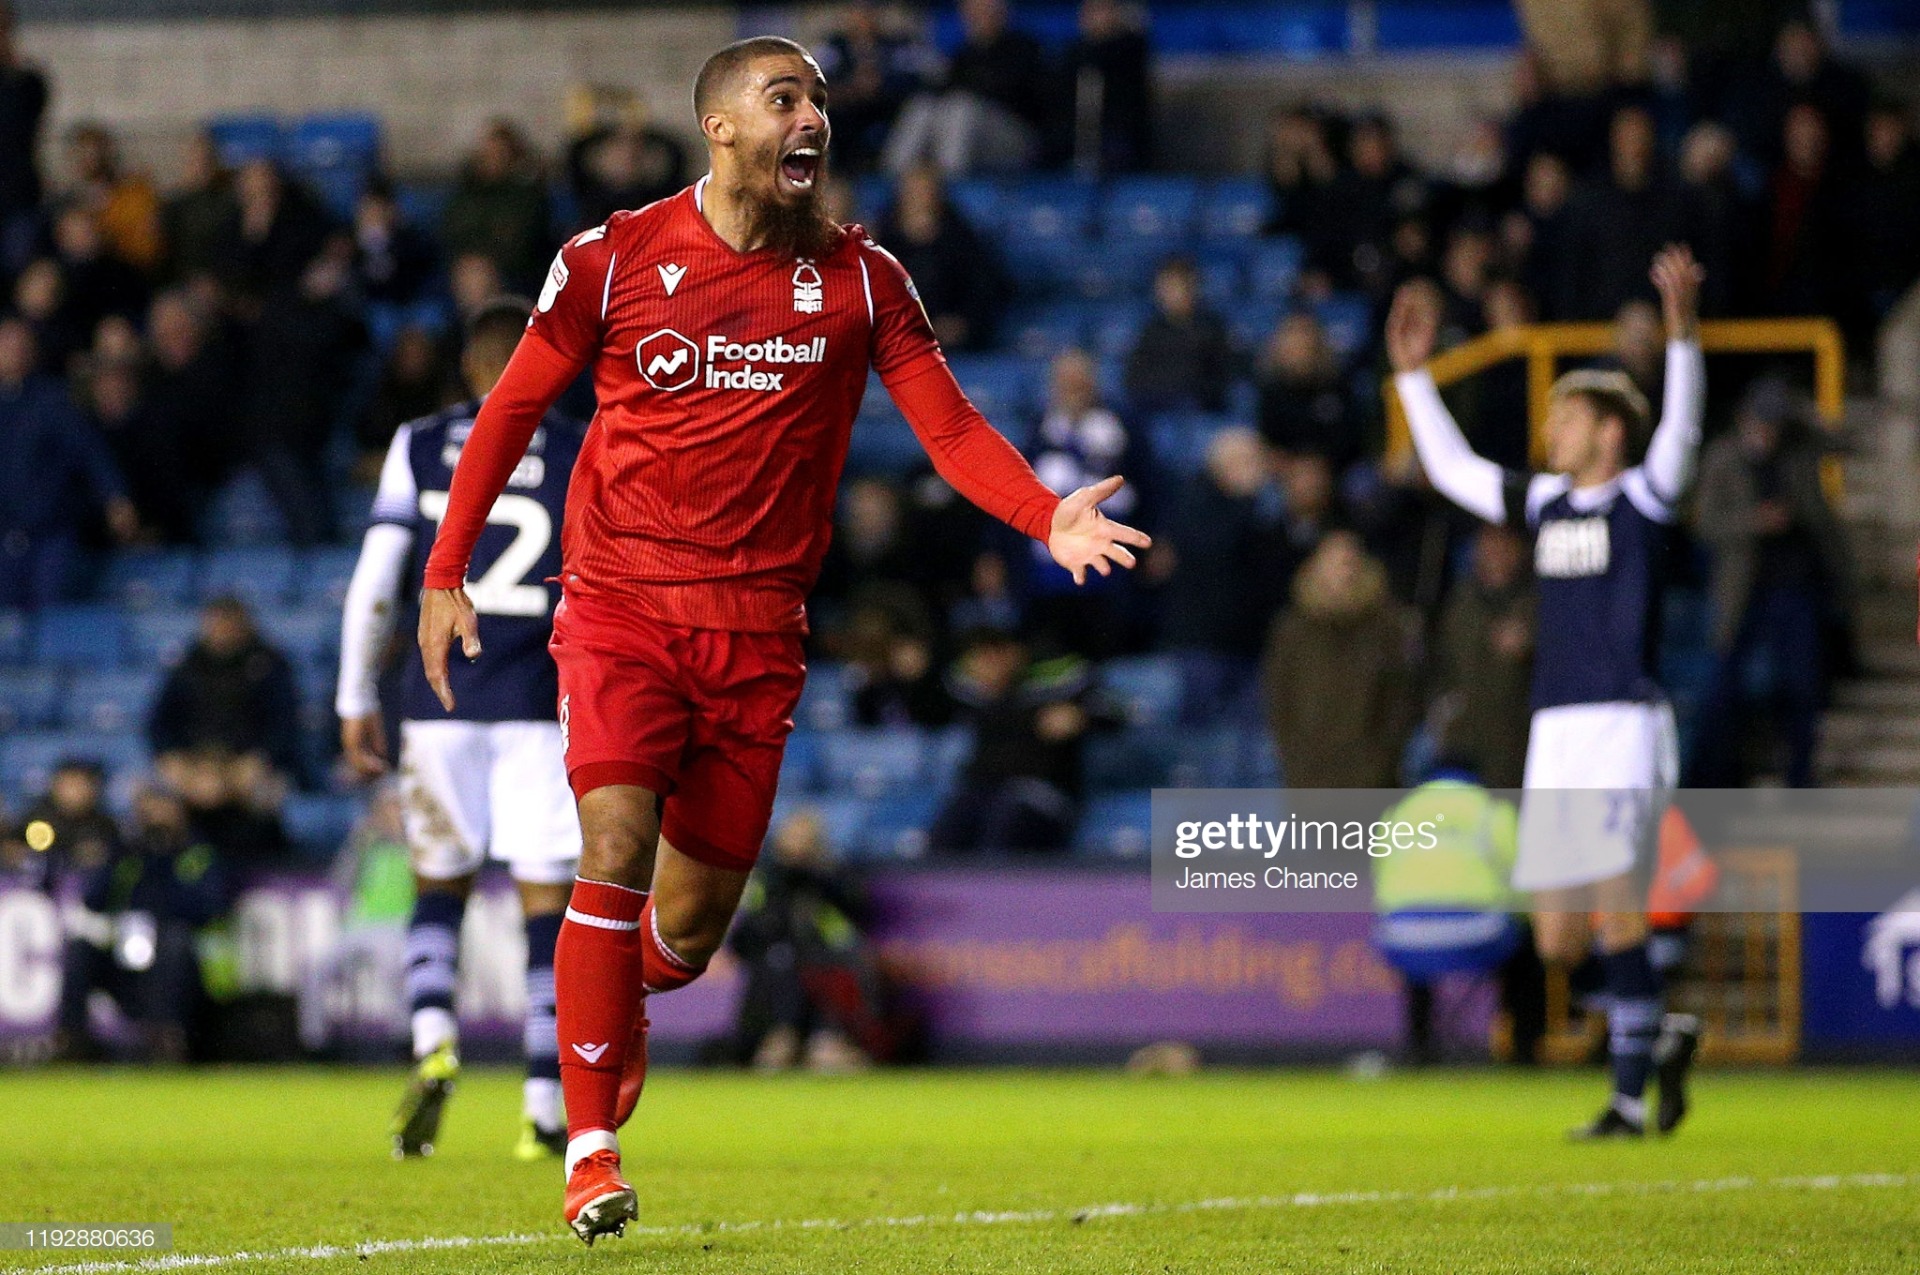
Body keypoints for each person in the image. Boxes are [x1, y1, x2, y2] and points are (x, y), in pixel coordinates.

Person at [412, 35, 1148, 1243]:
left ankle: (620, 999)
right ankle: (588, 1151)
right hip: (621, 605)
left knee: (689, 938)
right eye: (785, 98)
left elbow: (951, 427)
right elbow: (512, 408)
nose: (814, 118)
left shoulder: (863, 282)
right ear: (721, 128)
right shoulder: (610, 260)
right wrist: (448, 567)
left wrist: (1041, 512)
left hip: (759, 634)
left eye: (818, 101)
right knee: (612, 840)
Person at [1386, 245, 1705, 1139]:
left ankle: (1629, 1101)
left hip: (1621, 724)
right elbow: (1454, 475)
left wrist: (1682, 341)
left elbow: (1679, 435)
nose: (1551, 433)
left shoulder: (1643, 497)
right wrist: (1413, 380)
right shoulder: (1545, 507)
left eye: (1566, 419)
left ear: (1607, 431)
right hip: (1556, 730)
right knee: (1562, 939)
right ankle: (1664, 1030)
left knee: (1614, 909)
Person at [337, 298, 588, 1161]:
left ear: (470, 368)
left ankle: (433, 1035)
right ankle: (543, 1102)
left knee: (438, 883)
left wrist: (351, 695)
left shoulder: (418, 444)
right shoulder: (581, 445)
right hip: (540, 704)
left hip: (439, 700)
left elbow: (377, 577)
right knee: (546, 903)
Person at [1690, 379, 1851, 787]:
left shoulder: (1797, 450)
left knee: (1802, 688)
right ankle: (1719, 782)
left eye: (1775, 422)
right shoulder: (1723, 457)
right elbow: (1704, 522)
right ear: (1745, 418)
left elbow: (1846, 443)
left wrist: (1806, 416)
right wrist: (1755, 523)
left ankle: (1799, 778)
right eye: (1762, 420)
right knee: (1724, 691)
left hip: (1795, 589)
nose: (1768, 431)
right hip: (1742, 593)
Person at [0, 315, 137, 606]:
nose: (14, 350)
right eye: (7, 343)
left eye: (21, 344)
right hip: (4, 536)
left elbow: (89, 450)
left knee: (53, 614)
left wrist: (115, 497)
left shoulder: (53, 400)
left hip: (50, 535)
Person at [148, 596, 303, 782]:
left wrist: (262, 757)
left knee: (267, 791)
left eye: (229, 624)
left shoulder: (270, 664)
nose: (222, 631)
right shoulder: (187, 664)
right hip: (194, 762)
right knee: (151, 799)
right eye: (216, 624)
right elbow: (159, 720)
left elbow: (284, 722)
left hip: (250, 762)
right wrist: (170, 756)